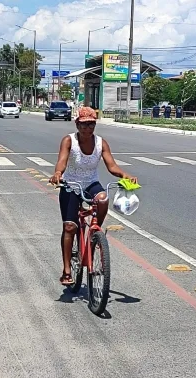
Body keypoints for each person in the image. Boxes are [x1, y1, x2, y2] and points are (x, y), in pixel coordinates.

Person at [49, 107, 138, 286]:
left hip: (91, 183)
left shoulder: (100, 143)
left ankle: (95, 233)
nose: (87, 128)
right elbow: (62, 161)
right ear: (77, 124)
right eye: (83, 124)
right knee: (69, 227)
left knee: (103, 198)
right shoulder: (69, 141)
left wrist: (124, 175)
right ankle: (67, 270)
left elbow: (111, 166)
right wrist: (58, 173)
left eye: (91, 124)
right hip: (71, 185)